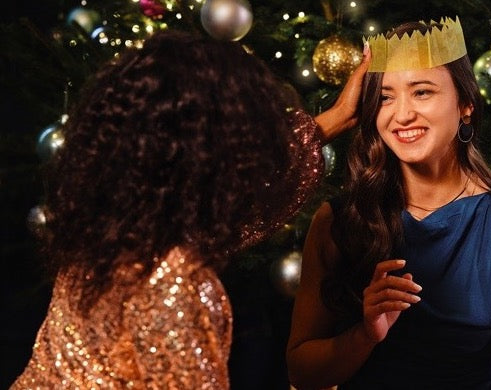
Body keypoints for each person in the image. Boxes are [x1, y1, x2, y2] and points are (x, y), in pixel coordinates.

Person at [11, 30, 369, 389]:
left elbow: (238, 208)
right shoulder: (174, 286)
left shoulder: (105, 240)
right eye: (252, 145)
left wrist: (336, 118)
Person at [286, 16, 491, 389]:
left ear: (465, 105)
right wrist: (364, 335)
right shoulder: (338, 220)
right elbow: (301, 372)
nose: (402, 114)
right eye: (385, 97)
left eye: (422, 91)